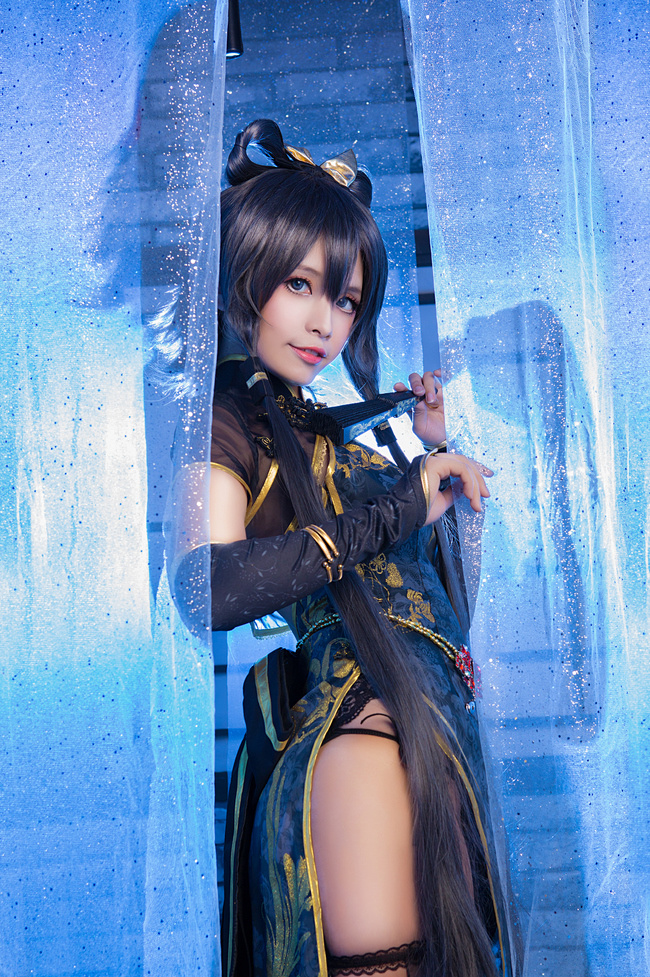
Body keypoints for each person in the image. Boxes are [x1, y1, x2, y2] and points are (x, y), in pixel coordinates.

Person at [174, 119, 518, 977]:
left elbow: (436, 613)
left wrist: (432, 454)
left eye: (347, 300)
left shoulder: (322, 430)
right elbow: (206, 586)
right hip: (362, 740)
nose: (325, 321)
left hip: (427, 727)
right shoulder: (229, 420)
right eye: (301, 284)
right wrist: (400, 505)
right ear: (246, 272)